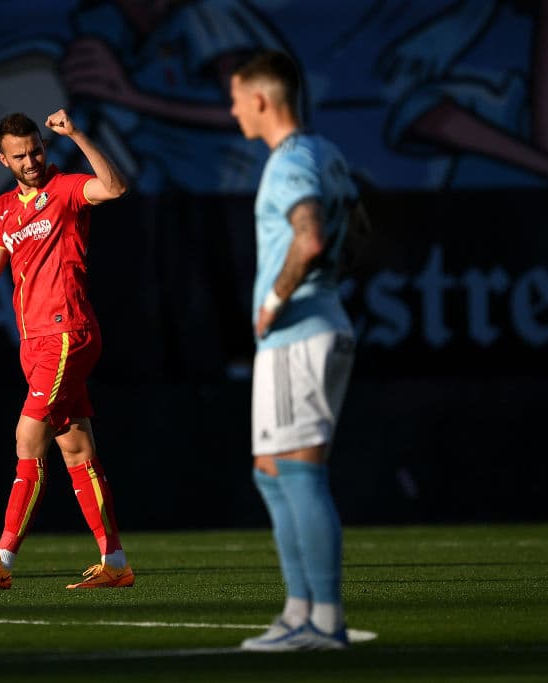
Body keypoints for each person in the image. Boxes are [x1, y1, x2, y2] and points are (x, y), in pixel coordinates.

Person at [0, 109, 133, 590]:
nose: (32, 160)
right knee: (77, 449)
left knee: (26, 436)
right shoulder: (3, 209)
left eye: (36, 150)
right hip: (34, 345)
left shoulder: (66, 188)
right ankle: (115, 562)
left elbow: (116, 188)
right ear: (4, 159)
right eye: (20, 155)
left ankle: (2, 560)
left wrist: (78, 133)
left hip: (67, 334)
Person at [228, 50, 370, 650]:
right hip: (316, 324)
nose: (233, 110)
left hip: (297, 334)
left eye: (236, 98)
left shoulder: (290, 162)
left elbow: (310, 236)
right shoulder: (326, 153)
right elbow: (358, 230)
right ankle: (298, 612)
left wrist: (276, 301)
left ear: (261, 99)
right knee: (271, 473)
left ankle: (325, 622)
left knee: (299, 473)